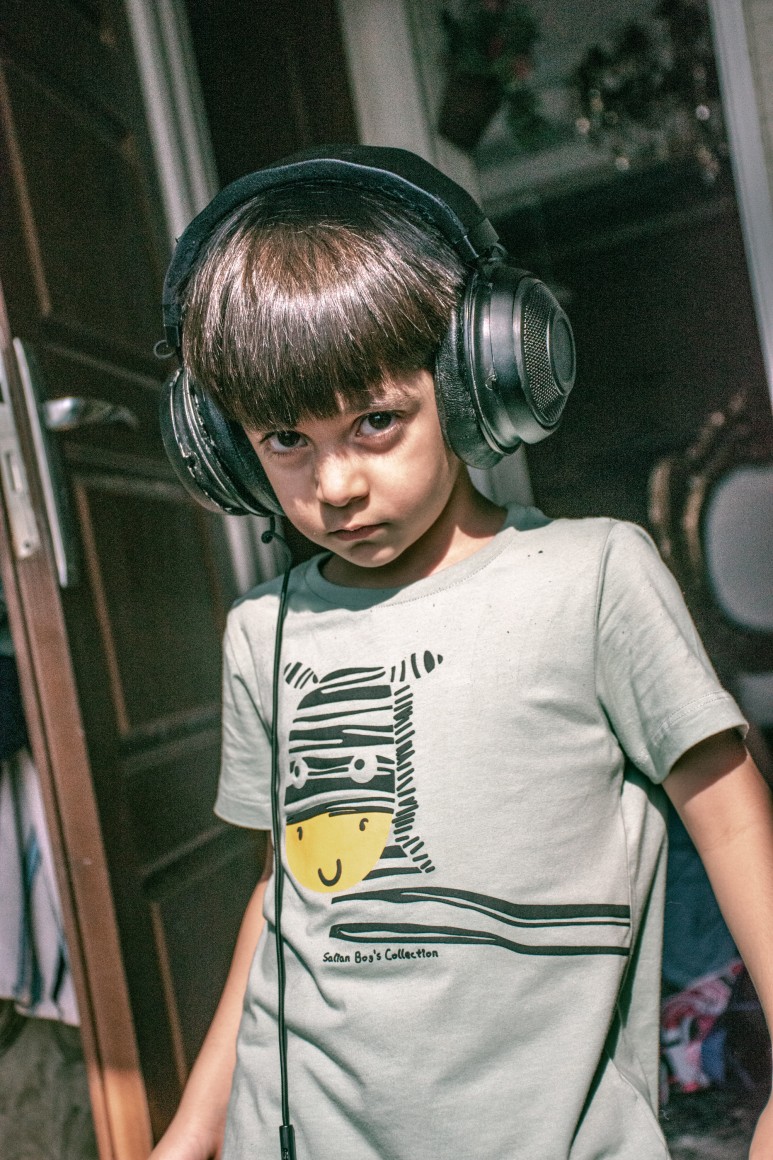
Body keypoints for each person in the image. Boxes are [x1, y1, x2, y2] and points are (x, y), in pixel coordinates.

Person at [152, 148, 773, 1160]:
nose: (335, 486)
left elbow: (728, 812)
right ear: (225, 448)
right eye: (285, 440)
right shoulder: (262, 632)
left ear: (477, 379)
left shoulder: (592, 577)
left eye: (375, 421)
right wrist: (194, 1124)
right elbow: (282, 896)